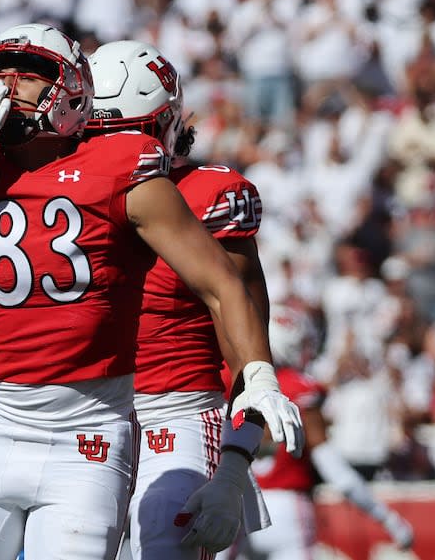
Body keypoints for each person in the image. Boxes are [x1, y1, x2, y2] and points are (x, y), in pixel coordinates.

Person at [0, 23, 302, 560]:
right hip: (1, 420)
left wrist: (240, 445)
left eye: (27, 77)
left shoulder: (144, 175)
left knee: (161, 547)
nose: (6, 90)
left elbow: (229, 293)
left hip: (135, 420)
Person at [86, 40, 286, 560]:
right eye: (97, 134)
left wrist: (236, 466)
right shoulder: (64, 194)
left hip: (177, 417)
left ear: (167, 124)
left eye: (127, 133)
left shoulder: (211, 195)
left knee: (163, 546)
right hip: (83, 418)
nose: (113, 149)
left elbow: (249, 349)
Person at [217, 304, 414, 559]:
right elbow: (336, 472)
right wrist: (387, 518)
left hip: (235, 502)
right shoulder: (299, 388)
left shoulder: (226, 381)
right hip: (288, 512)